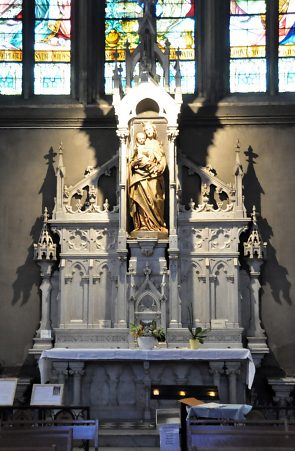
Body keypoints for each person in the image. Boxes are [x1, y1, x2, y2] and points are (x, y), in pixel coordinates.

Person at [128, 122, 168, 234]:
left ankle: (157, 224)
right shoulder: (140, 144)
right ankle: (144, 225)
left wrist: (160, 166)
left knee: (155, 198)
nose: (148, 131)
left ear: (154, 130)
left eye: (150, 129)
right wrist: (134, 163)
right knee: (141, 199)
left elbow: (162, 158)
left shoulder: (156, 144)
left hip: (154, 175)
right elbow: (132, 160)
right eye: (146, 130)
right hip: (140, 176)